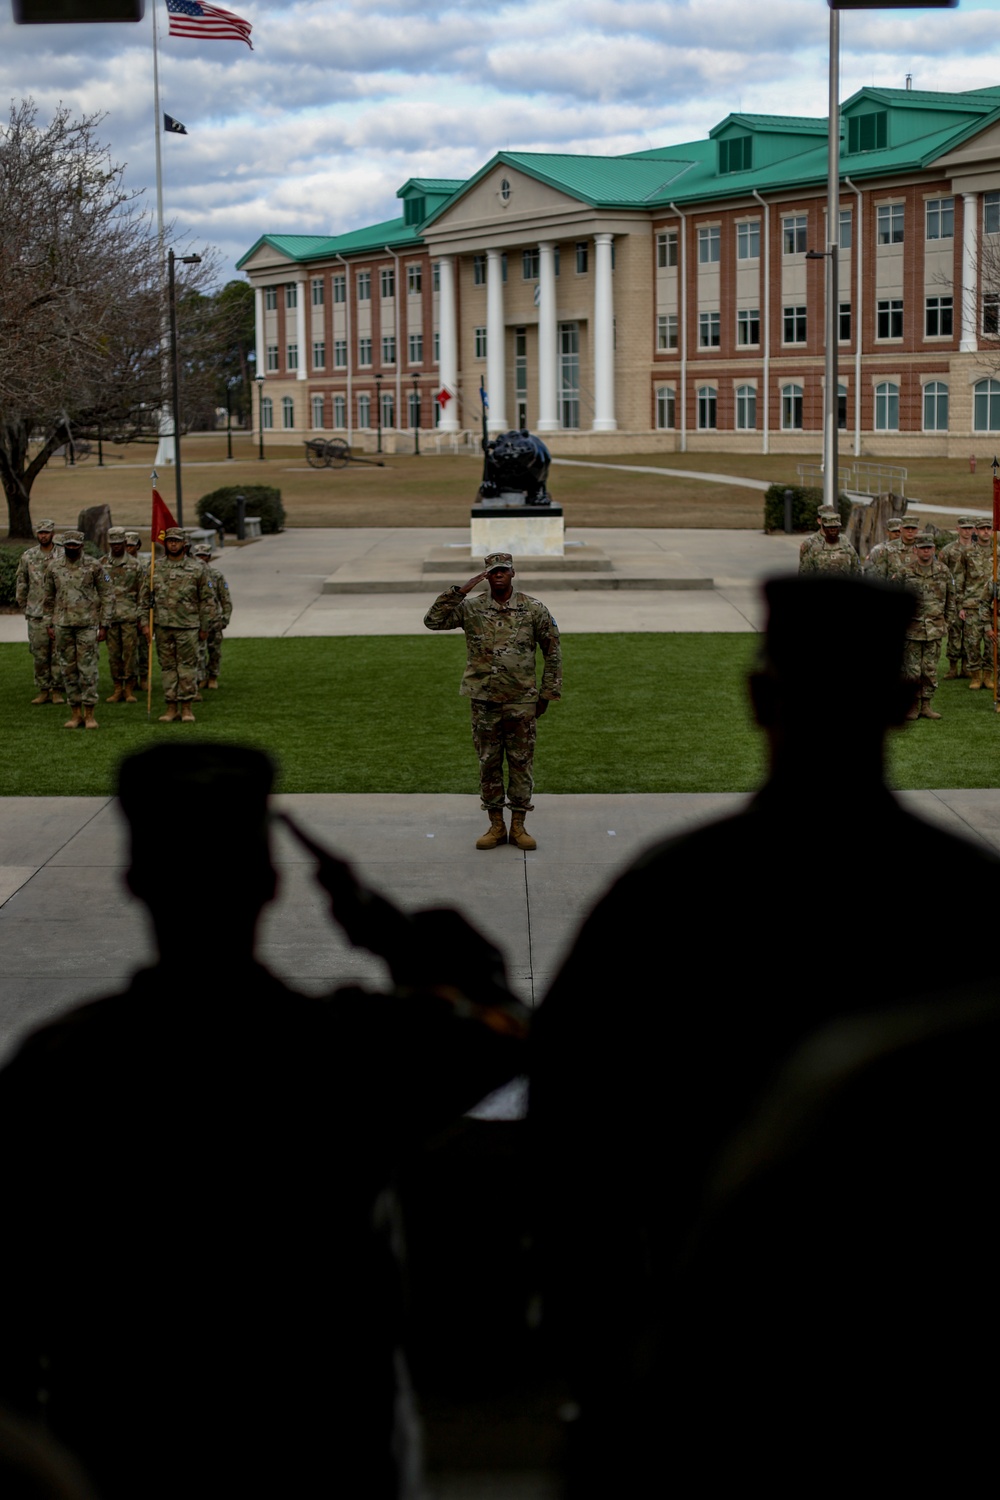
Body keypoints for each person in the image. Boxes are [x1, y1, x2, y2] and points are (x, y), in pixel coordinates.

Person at [529, 573, 1000, 1496]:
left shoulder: (665, 900)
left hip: (714, 1375)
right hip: (931, 1382)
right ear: (908, 705)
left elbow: (568, 1156)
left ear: (757, 699)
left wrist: (608, 1378)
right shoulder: (974, 901)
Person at [0, 744, 526, 1500]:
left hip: (129, 1451)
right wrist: (391, 929)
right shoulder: (347, 1051)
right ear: (270, 885)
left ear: (135, 883)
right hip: (325, 1449)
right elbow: (504, 1028)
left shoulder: (58, 1068)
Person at [423, 551, 561, 851]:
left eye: (504, 571)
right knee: (489, 763)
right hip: (484, 700)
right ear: (487, 575)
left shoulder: (533, 608)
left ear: (513, 573)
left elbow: (552, 650)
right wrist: (460, 591)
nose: (499, 575)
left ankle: (519, 826)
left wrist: (548, 693)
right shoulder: (471, 608)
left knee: (521, 763)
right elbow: (433, 621)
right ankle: (496, 825)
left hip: (521, 700)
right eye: (493, 571)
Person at [41, 530, 110, 730]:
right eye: (68, 545)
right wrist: (48, 623)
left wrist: (104, 624)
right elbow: (48, 598)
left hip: (87, 625)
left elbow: (107, 595)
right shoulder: (53, 567)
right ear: (64, 546)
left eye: (75, 545)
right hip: (62, 625)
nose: (71, 548)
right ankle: (75, 714)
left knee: (87, 669)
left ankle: (90, 714)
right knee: (68, 670)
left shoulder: (94, 566)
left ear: (82, 546)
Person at [151, 525, 214, 722]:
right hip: (163, 626)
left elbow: (207, 600)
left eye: (177, 541)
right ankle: (171, 707)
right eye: (170, 541)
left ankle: (186, 707)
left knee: (187, 667)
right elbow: (146, 599)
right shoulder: (155, 567)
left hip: (188, 626)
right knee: (168, 667)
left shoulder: (197, 568)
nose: (173, 544)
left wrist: (205, 626)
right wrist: (146, 623)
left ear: (184, 544)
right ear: (165, 543)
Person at [899, 530, 956, 719]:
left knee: (930, 669)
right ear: (915, 550)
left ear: (934, 549)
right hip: (911, 631)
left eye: (929, 548)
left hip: (934, 629)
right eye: (922, 548)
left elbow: (951, 599)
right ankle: (913, 706)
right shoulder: (905, 572)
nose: (926, 551)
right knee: (912, 670)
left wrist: (947, 623)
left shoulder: (943, 571)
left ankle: (926, 705)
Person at [15, 519, 64, 705]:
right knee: (40, 653)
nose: (43, 535)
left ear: (53, 533)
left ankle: (58, 690)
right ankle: (44, 690)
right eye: (40, 532)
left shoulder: (63, 554)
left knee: (58, 654)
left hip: (59, 613)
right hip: (36, 613)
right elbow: (22, 581)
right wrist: (23, 604)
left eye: (46, 532)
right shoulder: (28, 556)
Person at [100, 526, 148, 704]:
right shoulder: (102, 563)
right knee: (113, 655)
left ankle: (129, 688)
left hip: (130, 617)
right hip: (110, 618)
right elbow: (99, 593)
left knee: (129, 654)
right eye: (113, 543)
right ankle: (117, 688)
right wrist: (100, 621)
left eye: (120, 543)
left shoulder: (136, 565)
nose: (117, 547)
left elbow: (143, 593)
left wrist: (142, 619)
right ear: (109, 543)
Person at [192, 542, 231, 689]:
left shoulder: (216, 575)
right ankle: (200, 677)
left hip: (214, 620)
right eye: (198, 556)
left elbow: (225, 598)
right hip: (197, 620)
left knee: (214, 650)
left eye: (204, 556)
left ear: (209, 557)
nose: (201, 559)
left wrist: (225, 618)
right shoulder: (193, 574)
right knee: (198, 651)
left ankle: (213, 676)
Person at [797, 509, 859, 574]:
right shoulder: (812, 546)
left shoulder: (846, 544)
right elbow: (804, 571)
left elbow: (857, 570)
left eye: (835, 526)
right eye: (829, 526)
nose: (833, 530)